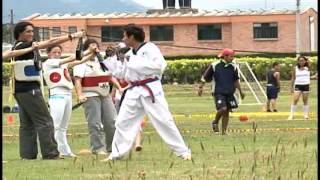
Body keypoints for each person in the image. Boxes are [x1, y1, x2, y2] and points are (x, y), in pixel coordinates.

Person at [101, 24, 191, 162]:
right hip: (133, 91)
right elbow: (122, 73)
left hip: (150, 89)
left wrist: (130, 59)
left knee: (164, 120)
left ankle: (183, 152)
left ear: (132, 37)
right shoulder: (129, 53)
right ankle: (116, 154)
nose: (123, 39)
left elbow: (158, 67)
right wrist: (112, 58)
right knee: (122, 122)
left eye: (125, 36)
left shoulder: (150, 48)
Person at [12, 21, 85, 160]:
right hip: (30, 90)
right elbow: (52, 41)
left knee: (27, 124)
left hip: (20, 90)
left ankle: (28, 155)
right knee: (45, 121)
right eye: (28, 31)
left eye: (32, 31)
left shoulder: (20, 46)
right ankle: (51, 153)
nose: (31, 34)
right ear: (19, 33)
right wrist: (73, 36)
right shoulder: (25, 45)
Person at [43, 44, 97, 157]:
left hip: (67, 95)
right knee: (55, 125)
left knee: (63, 127)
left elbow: (78, 60)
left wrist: (91, 53)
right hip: (57, 95)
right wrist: (88, 50)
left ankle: (65, 151)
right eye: (54, 52)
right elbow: (73, 58)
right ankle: (51, 150)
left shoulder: (62, 64)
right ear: (48, 54)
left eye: (59, 52)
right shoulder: (49, 62)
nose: (57, 55)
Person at [73, 39, 123, 155]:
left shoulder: (102, 62)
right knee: (95, 123)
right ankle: (98, 148)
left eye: (96, 45)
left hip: (105, 94)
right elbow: (77, 80)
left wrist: (119, 87)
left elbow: (110, 77)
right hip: (90, 94)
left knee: (112, 121)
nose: (94, 48)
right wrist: (80, 94)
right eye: (91, 46)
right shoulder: (81, 62)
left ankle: (112, 146)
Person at [198, 48, 245, 135]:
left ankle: (224, 132)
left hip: (230, 92)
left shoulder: (234, 67)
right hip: (218, 92)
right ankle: (215, 122)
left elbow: (236, 80)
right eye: (231, 56)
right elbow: (204, 77)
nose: (233, 58)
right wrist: (201, 88)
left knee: (227, 112)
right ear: (225, 56)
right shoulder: (215, 65)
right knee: (223, 109)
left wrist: (241, 91)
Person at [108, 43, 144, 151]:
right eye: (120, 54)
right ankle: (122, 145)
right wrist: (115, 92)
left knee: (135, 119)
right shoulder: (119, 65)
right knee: (121, 120)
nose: (122, 56)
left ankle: (137, 143)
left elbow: (135, 80)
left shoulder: (135, 63)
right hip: (121, 95)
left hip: (133, 93)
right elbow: (116, 76)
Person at [288, 56, 315, 120]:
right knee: (295, 99)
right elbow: (293, 78)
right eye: (300, 60)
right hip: (298, 85)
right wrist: (291, 87)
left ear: (305, 61)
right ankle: (291, 115)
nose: (301, 62)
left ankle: (305, 115)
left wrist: (306, 58)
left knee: (305, 100)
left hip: (306, 85)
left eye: (302, 60)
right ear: (298, 61)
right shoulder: (295, 68)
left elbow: (311, 61)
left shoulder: (307, 68)